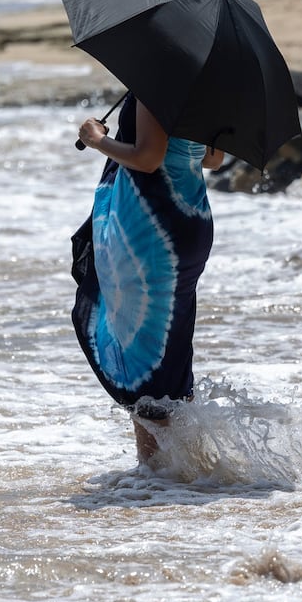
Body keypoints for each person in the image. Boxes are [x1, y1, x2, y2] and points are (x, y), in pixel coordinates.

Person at [72, 94, 225, 462]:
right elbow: (213, 159)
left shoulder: (157, 84)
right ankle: (184, 468)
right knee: (169, 347)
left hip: (151, 227)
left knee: (141, 352)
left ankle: (155, 478)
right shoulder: (210, 85)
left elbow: (148, 158)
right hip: (189, 219)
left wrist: (98, 141)